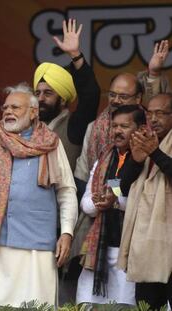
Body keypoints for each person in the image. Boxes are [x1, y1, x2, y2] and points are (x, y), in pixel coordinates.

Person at [0, 46, 77, 307]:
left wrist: (66, 232)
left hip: (34, 245)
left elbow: (66, 191)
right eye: (6, 107)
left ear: (33, 112)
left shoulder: (51, 143)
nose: (8, 111)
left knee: (35, 305)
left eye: (15, 107)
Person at [76, 105, 145, 305]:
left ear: (140, 128)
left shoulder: (147, 160)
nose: (117, 131)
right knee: (86, 304)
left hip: (129, 251)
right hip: (99, 250)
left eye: (124, 126)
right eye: (114, 126)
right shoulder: (104, 159)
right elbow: (86, 204)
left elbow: (145, 204)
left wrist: (113, 200)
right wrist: (100, 203)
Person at [118, 93, 172, 310]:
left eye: (161, 113)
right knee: (146, 306)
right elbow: (121, 186)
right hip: (146, 244)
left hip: (168, 241)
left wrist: (155, 153)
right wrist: (136, 161)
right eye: (150, 113)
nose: (154, 119)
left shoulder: (152, 146)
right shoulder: (143, 141)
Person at [34, 19, 100, 171]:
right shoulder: (28, 126)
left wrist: (75, 55)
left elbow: (90, 95)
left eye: (48, 93)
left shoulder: (74, 125)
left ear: (63, 99)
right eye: (37, 93)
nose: (40, 99)